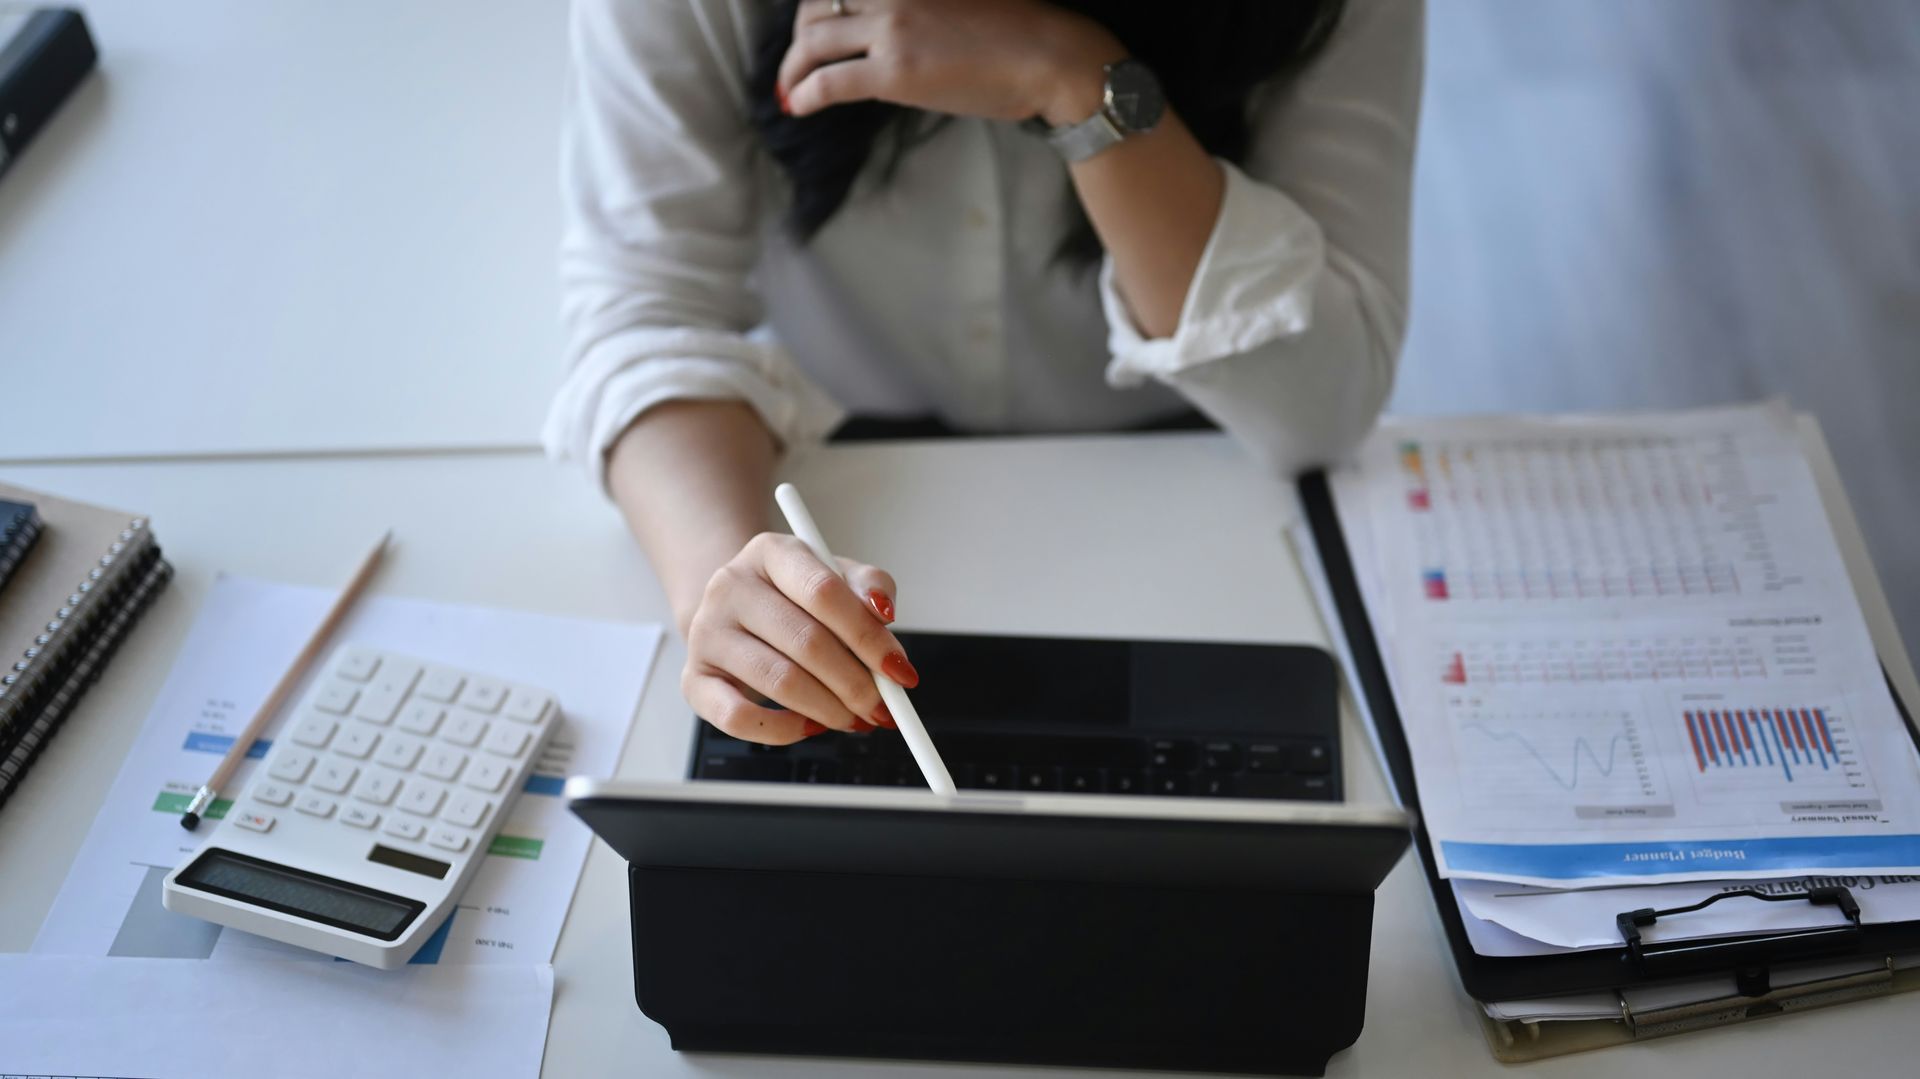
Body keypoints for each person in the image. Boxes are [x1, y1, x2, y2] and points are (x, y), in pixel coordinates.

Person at [544, 0, 1423, 745]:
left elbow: (1320, 403)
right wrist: (727, 587)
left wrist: (1075, 79)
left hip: (1197, 465)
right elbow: (649, 307)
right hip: (834, 465)